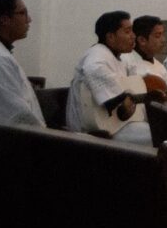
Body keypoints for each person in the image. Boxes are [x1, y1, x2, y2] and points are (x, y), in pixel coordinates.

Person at [65, 11, 152, 145]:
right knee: (158, 136)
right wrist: (121, 98)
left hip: (115, 125)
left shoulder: (119, 58)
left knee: (158, 129)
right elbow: (93, 69)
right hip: (91, 132)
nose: (133, 36)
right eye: (128, 32)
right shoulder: (97, 54)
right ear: (110, 37)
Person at [122, 14, 167, 94]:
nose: (163, 40)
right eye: (158, 36)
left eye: (163, 34)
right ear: (142, 40)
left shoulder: (161, 67)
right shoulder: (124, 61)